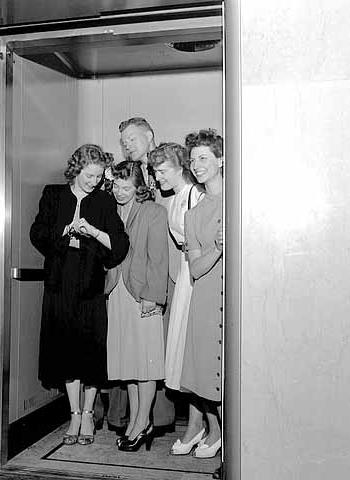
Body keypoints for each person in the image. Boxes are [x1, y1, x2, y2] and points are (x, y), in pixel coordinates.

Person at [30, 144, 129, 446]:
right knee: (65, 351)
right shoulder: (53, 195)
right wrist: (66, 231)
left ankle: (88, 414)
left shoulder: (104, 201)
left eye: (99, 177)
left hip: (90, 285)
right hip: (59, 284)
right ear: (76, 169)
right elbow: (37, 234)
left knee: (89, 352)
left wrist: (91, 235)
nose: (95, 182)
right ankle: (74, 414)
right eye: (89, 175)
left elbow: (119, 245)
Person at [116, 117, 177, 433]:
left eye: (132, 138)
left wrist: (154, 293)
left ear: (150, 136)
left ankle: (155, 421)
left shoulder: (165, 171)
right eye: (123, 140)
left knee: (160, 355)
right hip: (133, 279)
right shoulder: (125, 181)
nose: (127, 144)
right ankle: (143, 420)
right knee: (140, 355)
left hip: (167, 274)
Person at [104, 160, 169, 452]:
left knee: (146, 362)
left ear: (139, 186)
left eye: (126, 187)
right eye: (116, 186)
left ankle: (144, 421)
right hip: (117, 290)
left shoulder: (154, 212)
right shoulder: (111, 209)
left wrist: (152, 296)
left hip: (142, 292)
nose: (119, 192)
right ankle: (134, 421)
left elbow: (159, 259)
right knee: (128, 361)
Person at [148, 143, 205, 454]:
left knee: (194, 350)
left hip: (197, 274)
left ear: (180, 167)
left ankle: (204, 426)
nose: (157, 178)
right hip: (184, 274)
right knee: (184, 351)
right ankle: (198, 425)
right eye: (155, 172)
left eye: (162, 171)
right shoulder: (174, 200)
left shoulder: (196, 195)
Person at [174, 129, 224, 459]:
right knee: (206, 371)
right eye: (193, 160)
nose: (197, 164)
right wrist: (219, 248)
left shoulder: (241, 199)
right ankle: (216, 430)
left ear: (222, 160)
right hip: (206, 298)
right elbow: (194, 268)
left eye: (203, 157)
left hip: (236, 298)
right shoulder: (192, 215)